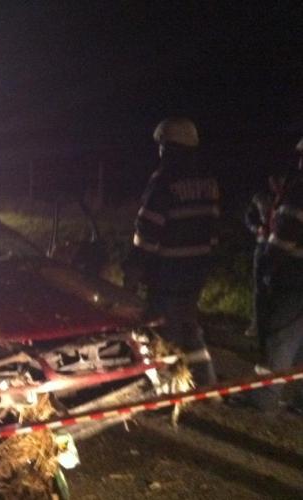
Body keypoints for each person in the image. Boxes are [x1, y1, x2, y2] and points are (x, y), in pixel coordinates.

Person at [127, 117, 220, 386]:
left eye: (162, 146)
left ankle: (168, 390)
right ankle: (207, 382)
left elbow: (147, 232)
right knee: (189, 325)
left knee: (163, 334)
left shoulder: (163, 180)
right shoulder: (208, 182)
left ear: (168, 147)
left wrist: (134, 270)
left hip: (167, 275)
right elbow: (213, 230)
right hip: (196, 272)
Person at [244, 138, 303, 413]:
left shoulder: (299, 190)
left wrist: (268, 267)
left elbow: (283, 236)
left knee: (279, 338)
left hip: (294, 276)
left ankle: (262, 400)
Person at [243, 170, 285, 349]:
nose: (276, 183)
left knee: (277, 288)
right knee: (259, 287)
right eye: (273, 180)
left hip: (281, 249)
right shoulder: (260, 198)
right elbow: (249, 217)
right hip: (262, 246)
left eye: (279, 180)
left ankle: (276, 326)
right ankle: (257, 324)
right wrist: (257, 228)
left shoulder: (288, 198)